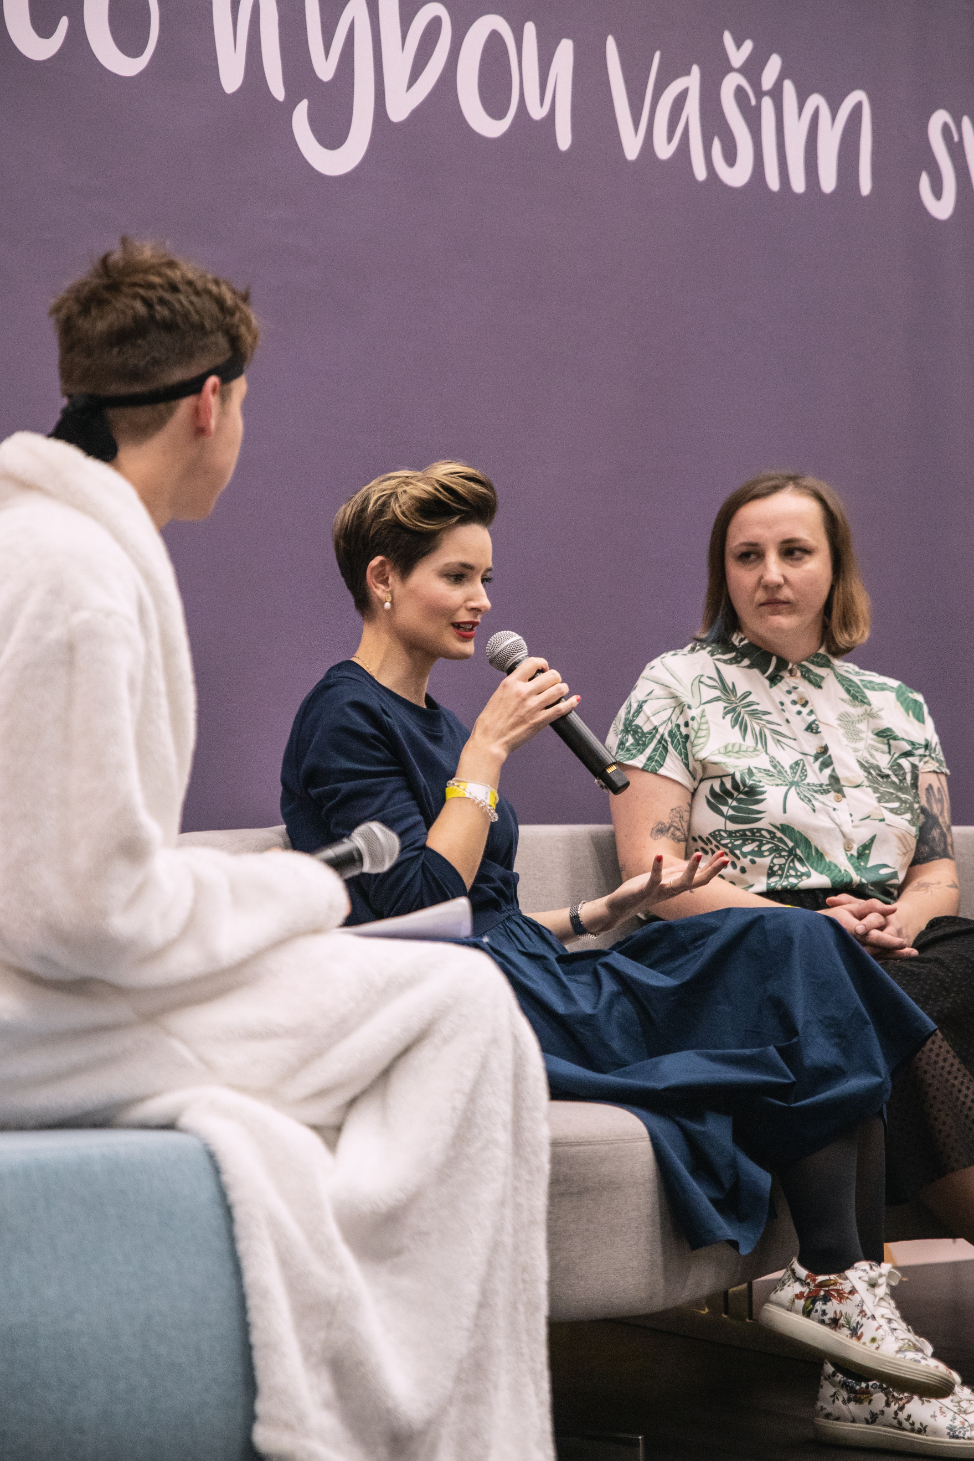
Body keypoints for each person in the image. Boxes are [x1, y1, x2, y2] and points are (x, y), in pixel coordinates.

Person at [0, 240, 559, 1461]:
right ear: (210, 403)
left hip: (53, 984)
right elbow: (79, 910)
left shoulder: (43, 546)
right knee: (460, 1006)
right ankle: (410, 1414)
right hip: (37, 1012)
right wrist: (292, 893)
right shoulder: (78, 580)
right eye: (245, 405)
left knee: (455, 996)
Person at [281, 460, 956, 1411]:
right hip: (451, 998)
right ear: (384, 579)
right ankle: (845, 1313)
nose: (482, 601)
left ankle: (840, 1296)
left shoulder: (434, 719)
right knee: (799, 975)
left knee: (803, 947)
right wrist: (488, 753)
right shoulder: (345, 714)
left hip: (523, 967)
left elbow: (492, 913)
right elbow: (412, 909)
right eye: (457, 576)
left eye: (486, 577)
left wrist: (612, 907)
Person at [608, 470, 974, 1454]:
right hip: (743, 940)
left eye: (793, 551)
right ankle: (859, 1358)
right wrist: (812, 928)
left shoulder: (897, 706)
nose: (770, 574)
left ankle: (854, 1334)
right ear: (722, 573)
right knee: (830, 981)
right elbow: (653, 874)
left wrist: (892, 918)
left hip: (885, 939)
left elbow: (937, 868)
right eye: (747, 555)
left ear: (833, 567)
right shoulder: (675, 685)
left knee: (919, 980)